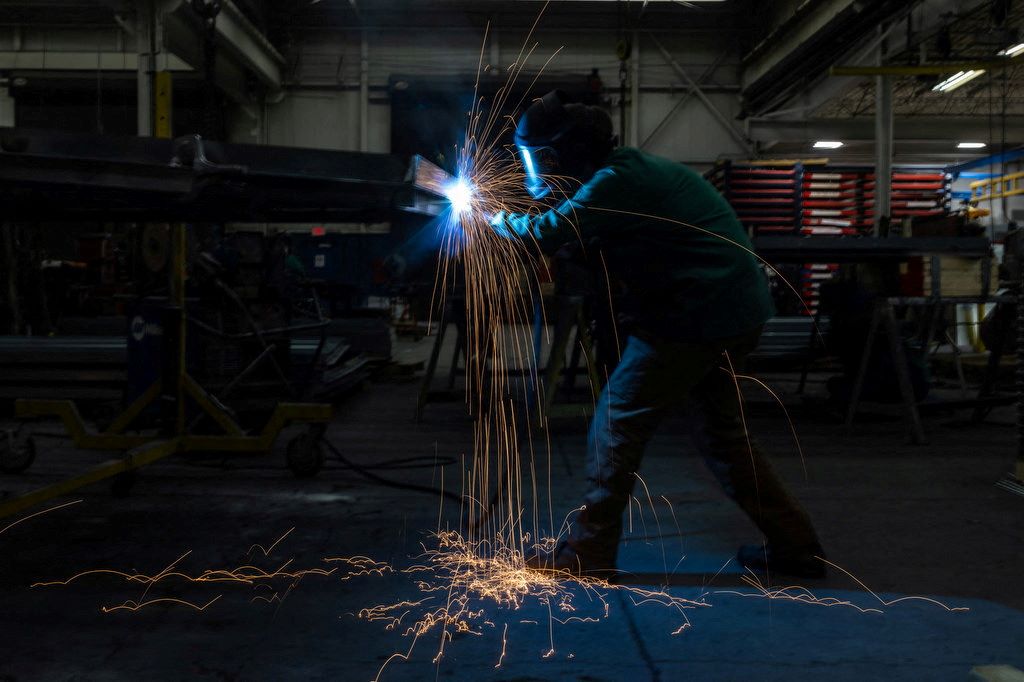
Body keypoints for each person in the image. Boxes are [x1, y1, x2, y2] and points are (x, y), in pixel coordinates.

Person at [490, 90, 826, 579]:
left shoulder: (615, 181)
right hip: (728, 309)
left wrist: (492, 219)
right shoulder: (622, 172)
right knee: (724, 438)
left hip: (698, 312)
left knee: (615, 422)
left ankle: (588, 551)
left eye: (533, 160)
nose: (529, 170)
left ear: (556, 156)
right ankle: (796, 546)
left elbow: (543, 233)